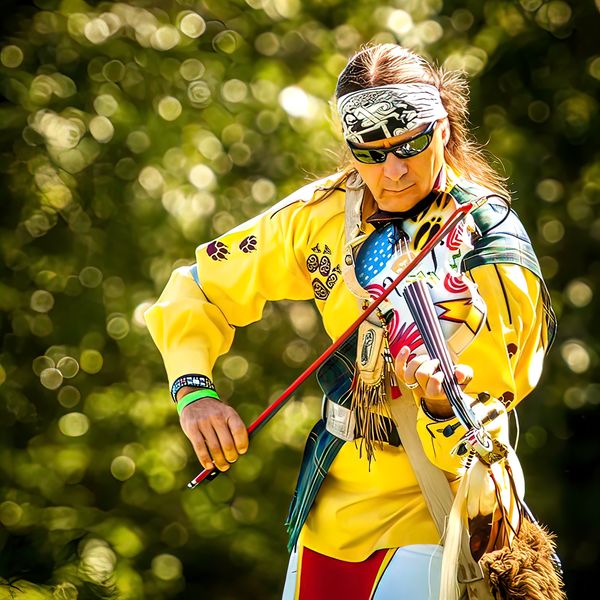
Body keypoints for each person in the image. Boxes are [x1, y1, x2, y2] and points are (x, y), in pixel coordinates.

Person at [145, 44, 556, 599]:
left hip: (445, 504)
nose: (393, 171)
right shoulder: (320, 214)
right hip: (331, 509)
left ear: (442, 129)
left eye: (410, 145)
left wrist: (442, 404)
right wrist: (193, 389)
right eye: (371, 153)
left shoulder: (489, 237)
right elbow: (199, 286)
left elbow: (489, 400)